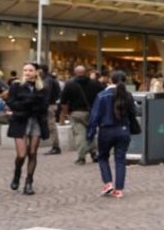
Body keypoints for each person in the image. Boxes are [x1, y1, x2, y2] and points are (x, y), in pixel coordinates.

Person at [87, 70, 137, 199]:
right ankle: (119, 189)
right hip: (123, 130)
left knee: (103, 157)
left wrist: (90, 134)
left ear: (110, 80)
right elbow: (133, 113)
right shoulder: (128, 96)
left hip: (106, 131)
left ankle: (108, 183)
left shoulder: (102, 95)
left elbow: (95, 116)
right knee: (120, 160)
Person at [7, 62, 49, 195]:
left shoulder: (42, 87)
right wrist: (28, 102)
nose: (27, 73)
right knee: (21, 154)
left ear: (36, 72)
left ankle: (29, 183)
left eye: (30, 70)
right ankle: (17, 174)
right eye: (25, 70)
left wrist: (35, 104)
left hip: (36, 121)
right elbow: (11, 103)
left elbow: (44, 106)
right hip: (20, 121)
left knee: (32, 153)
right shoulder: (16, 86)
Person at [59, 65, 104, 165]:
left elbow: (63, 101)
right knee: (91, 132)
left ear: (75, 73)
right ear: (86, 72)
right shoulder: (95, 83)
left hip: (76, 112)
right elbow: (102, 97)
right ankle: (94, 153)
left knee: (80, 134)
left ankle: (81, 156)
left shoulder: (69, 84)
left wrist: (67, 113)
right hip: (93, 112)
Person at [40, 64, 62, 155]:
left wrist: (43, 105)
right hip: (51, 104)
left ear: (41, 70)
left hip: (49, 105)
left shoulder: (47, 80)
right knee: (51, 126)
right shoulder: (51, 79)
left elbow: (46, 94)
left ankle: (55, 147)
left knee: (51, 126)